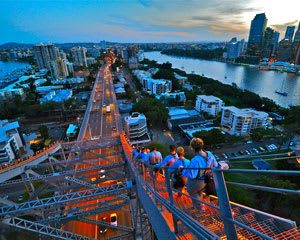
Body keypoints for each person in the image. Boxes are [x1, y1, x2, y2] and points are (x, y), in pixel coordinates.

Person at [182, 138, 218, 212]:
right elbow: (216, 165)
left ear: (192, 148)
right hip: (206, 181)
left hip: (197, 182)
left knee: (191, 190)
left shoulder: (195, 160)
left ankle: (201, 208)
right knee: (199, 191)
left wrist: (184, 169)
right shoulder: (209, 154)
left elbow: (193, 175)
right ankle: (200, 205)